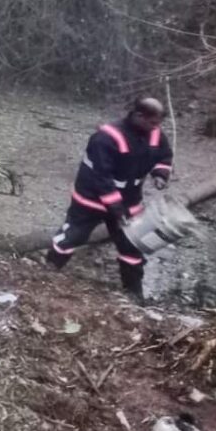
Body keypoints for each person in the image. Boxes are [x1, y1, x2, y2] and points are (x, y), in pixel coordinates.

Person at [45, 97, 174, 302]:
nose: (156, 127)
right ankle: (48, 272)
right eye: (153, 122)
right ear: (138, 115)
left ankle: (133, 293)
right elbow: (101, 177)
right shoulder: (106, 137)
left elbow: (164, 156)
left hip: (129, 201)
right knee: (72, 236)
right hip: (91, 199)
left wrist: (160, 174)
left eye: (158, 123)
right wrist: (115, 206)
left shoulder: (155, 134)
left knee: (132, 245)